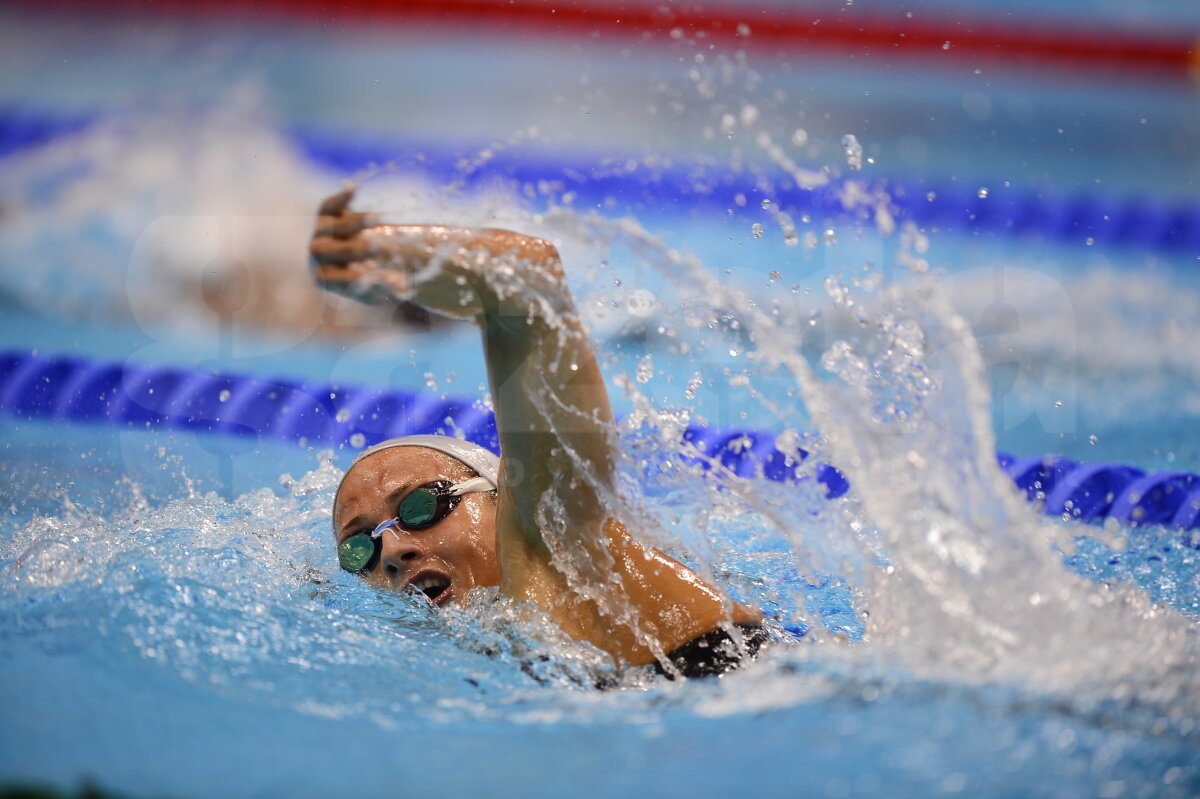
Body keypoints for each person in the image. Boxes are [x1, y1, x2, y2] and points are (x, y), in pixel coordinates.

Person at [310, 187, 765, 678]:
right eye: (361, 550)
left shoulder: (557, 539)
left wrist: (384, 252)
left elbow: (528, 278)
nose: (393, 552)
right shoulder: (512, 632)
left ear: (502, 493)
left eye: (420, 507)